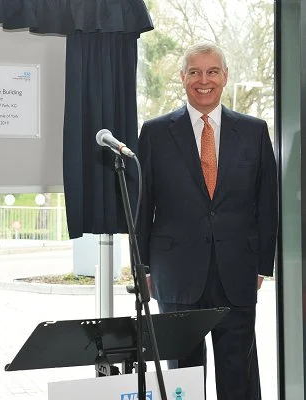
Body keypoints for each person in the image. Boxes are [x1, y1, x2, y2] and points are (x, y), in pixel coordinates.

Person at [137, 42, 278, 400]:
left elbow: (267, 203)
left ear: (225, 77)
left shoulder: (254, 131)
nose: (204, 80)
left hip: (238, 273)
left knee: (239, 377)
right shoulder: (154, 133)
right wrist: (143, 267)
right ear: (182, 77)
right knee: (183, 378)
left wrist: (263, 264)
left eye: (212, 71)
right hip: (175, 274)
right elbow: (142, 206)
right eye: (195, 72)